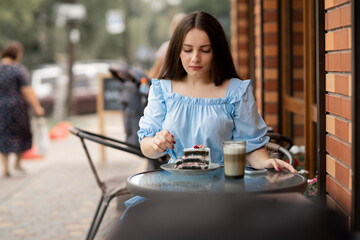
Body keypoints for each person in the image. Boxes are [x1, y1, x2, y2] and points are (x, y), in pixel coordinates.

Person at [138, 11, 296, 173]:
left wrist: (266, 162)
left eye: (205, 50)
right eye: (187, 50)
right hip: (176, 185)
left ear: (217, 52)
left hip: (224, 187)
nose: (195, 58)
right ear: (177, 51)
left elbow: (250, 148)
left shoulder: (237, 91)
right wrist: (156, 143)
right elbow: (146, 146)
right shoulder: (162, 90)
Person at [0, 41, 45, 177]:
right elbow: (27, 90)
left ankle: (6, 168)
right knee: (22, 134)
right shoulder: (18, 70)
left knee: (3, 136)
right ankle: (17, 163)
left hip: (1, 108)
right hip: (16, 108)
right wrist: (37, 107)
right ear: (17, 54)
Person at [147, 12, 186, 79]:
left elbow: (153, 72)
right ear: (172, 27)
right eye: (176, 25)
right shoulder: (166, 47)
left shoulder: (189, 48)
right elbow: (154, 71)